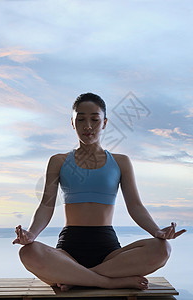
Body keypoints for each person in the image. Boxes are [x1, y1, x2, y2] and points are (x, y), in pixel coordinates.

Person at [13, 92, 186, 292]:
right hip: (68, 248)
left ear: (104, 123)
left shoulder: (121, 162)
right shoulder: (58, 161)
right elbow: (46, 205)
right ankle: (108, 281)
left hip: (108, 250)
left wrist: (156, 231)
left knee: (162, 248)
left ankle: (75, 277)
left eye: (94, 119)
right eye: (81, 119)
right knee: (28, 253)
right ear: (72, 123)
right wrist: (31, 234)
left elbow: (136, 206)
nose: (88, 126)